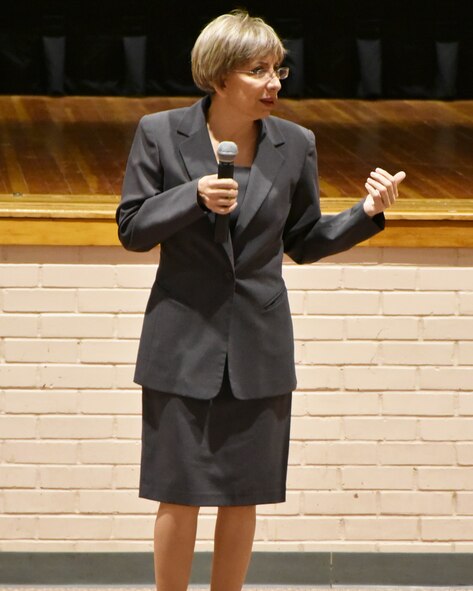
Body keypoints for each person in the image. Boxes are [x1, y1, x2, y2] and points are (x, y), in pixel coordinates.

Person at [116, 9, 406, 591]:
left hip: (259, 346)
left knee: (241, 493)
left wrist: (365, 214)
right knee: (178, 493)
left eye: (279, 69)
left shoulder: (296, 143)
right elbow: (132, 228)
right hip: (182, 344)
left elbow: (304, 241)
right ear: (219, 76)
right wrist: (191, 196)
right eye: (258, 70)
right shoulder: (158, 132)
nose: (274, 82)